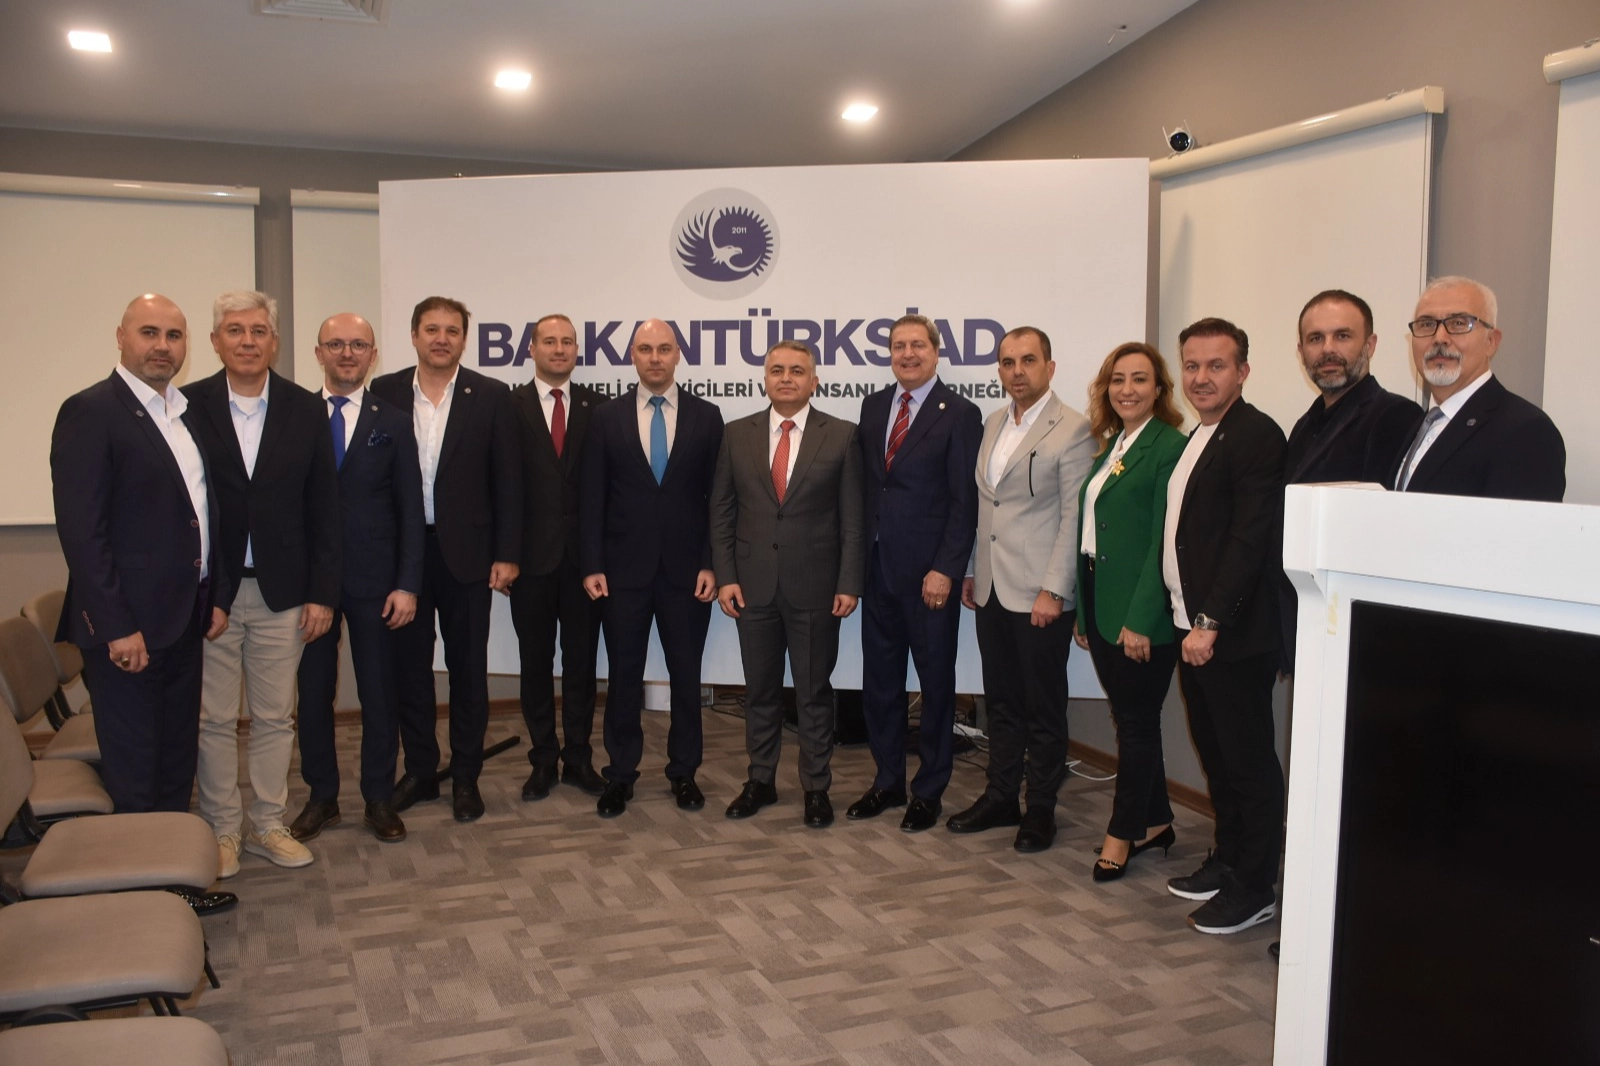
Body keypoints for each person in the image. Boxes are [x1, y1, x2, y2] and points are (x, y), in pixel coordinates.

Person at [50, 294, 232, 816]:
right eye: (149, 333)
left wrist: (215, 597)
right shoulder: (91, 411)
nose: (162, 346)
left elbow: (202, 514)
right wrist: (116, 627)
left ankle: (172, 861)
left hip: (183, 620)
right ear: (121, 337)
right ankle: (140, 866)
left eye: (174, 336)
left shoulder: (182, 414)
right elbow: (84, 534)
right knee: (135, 770)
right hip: (128, 630)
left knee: (175, 759)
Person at [183, 291, 340, 876]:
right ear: (215, 341)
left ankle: (268, 823)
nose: (247, 341)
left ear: (274, 342)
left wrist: (323, 592)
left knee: (276, 717)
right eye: (235, 330)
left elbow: (324, 508)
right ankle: (223, 828)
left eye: (258, 331)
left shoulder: (304, 408)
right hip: (213, 594)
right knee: (214, 720)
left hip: (285, 592)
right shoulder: (187, 406)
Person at [370, 297, 523, 823]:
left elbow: (508, 480)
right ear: (414, 335)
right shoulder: (385, 391)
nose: (441, 339)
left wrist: (507, 553)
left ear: (464, 339)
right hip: (403, 557)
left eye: (452, 331)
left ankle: (465, 777)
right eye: (431, 329)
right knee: (410, 670)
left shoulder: (492, 395)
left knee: (467, 671)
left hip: (470, 556)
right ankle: (420, 770)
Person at [1162, 317, 1286, 935]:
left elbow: (1248, 539)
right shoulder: (1201, 434)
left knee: (1247, 763)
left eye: (1216, 365)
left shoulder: (1256, 435)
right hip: (1193, 629)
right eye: (1192, 365)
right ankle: (1231, 858)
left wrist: (1209, 621)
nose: (1201, 377)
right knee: (1217, 754)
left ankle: (1255, 885)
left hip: (1231, 634)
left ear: (1243, 371)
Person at [710, 340, 865, 828]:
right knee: (759, 691)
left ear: (814, 381)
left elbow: (853, 520)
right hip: (752, 586)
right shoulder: (736, 434)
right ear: (765, 379)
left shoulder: (841, 436)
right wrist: (726, 577)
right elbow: (722, 511)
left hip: (816, 587)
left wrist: (849, 582)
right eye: (777, 370)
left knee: (813, 693)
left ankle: (816, 788)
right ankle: (760, 780)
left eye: (797, 371)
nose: (786, 378)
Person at [954, 326, 1094, 852]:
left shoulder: (1073, 430)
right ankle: (1000, 797)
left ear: (1050, 368)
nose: (1017, 371)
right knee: (1002, 701)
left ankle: (1040, 809)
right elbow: (985, 507)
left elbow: (1074, 516)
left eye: (1028, 361)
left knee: (1043, 707)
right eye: (1008, 362)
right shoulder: (993, 422)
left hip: (1040, 594)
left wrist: (1055, 590)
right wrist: (973, 568)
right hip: (992, 588)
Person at [580, 319, 724, 818]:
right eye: (646, 348)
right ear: (633, 356)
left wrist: (711, 563)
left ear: (678, 354)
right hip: (622, 573)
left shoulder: (707, 416)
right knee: (623, 677)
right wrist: (592, 563)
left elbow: (717, 500)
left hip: (687, 574)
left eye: (664, 348)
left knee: (686, 676)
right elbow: (592, 496)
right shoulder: (606, 417)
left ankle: (684, 772)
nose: (655, 357)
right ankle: (620, 774)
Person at [290, 314, 423, 845]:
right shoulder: (294, 416)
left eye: (359, 345)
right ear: (318, 352)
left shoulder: (394, 420)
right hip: (309, 585)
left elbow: (410, 508)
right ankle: (322, 796)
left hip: (377, 581)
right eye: (336, 344)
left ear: (373, 355)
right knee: (313, 694)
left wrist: (407, 583)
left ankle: (378, 797)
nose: (348, 353)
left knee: (379, 693)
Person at [851, 314, 982, 833]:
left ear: (936, 351)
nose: (908, 354)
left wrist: (946, 568)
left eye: (918, 345)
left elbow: (964, 501)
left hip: (930, 580)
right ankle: (887, 782)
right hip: (877, 571)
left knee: (936, 688)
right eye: (899, 346)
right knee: (880, 686)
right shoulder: (874, 406)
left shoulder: (960, 413)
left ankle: (929, 791)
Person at [1071, 342, 1188, 880]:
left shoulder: (1169, 447)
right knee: (1131, 718)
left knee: (1136, 724)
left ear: (1159, 389)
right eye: (1118, 379)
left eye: (1139, 379)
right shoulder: (1115, 443)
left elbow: (1165, 542)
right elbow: (1093, 534)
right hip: (1101, 598)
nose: (1127, 389)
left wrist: (1141, 618)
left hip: (1142, 610)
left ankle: (1121, 834)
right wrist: (1083, 610)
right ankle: (1157, 822)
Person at [1280, 290, 1423, 673]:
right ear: (1301, 352)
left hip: (1355, 630)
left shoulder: (1395, 417)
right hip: (1309, 616)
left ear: (1370, 345)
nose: (1328, 349)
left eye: (1342, 336)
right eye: (1316, 339)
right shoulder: (1305, 425)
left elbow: (1385, 534)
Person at [509, 314, 608, 801]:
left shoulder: (598, 407)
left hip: (584, 563)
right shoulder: (510, 406)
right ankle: (543, 760)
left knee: (581, 666)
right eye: (549, 341)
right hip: (529, 562)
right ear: (532, 349)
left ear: (576, 351)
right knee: (535, 665)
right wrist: (504, 555)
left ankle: (579, 759)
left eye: (567, 341)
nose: (559, 348)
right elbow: (500, 485)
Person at [1390, 276, 1565, 502]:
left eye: (1458, 323)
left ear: (1491, 341)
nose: (1439, 338)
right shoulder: (1415, 426)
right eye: (1427, 324)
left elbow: (1520, 525)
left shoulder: (1527, 431)